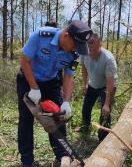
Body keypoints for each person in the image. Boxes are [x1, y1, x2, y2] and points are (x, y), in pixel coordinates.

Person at [16, 20, 92, 166]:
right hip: (28, 79)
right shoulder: (40, 36)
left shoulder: (75, 54)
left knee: (58, 118)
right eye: (75, 45)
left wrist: (66, 101)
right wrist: (34, 88)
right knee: (26, 120)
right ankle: (27, 160)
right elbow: (25, 61)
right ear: (65, 36)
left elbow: (69, 76)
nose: (76, 49)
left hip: (51, 82)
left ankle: (62, 156)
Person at [77, 33, 117, 141]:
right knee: (86, 108)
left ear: (100, 44)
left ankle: (102, 138)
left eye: (92, 44)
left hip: (106, 87)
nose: (89, 49)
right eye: (87, 45)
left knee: (105, 113)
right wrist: (85, 84)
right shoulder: (84, 53)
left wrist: (107, 103)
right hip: (93, 84)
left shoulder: (108, 58)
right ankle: (85, 127)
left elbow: (110, 82)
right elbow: (84, 67)